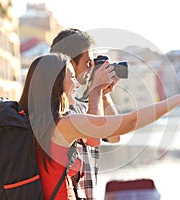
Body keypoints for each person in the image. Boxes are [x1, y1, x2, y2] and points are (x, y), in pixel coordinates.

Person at [19, 53, 180, 200]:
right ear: (55, 83)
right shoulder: (64, 124)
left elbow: (100, 136)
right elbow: (128, 122)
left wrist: (100, 94)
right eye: (70, 76)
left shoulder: (30, 120)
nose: (76, 83)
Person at [50, 28, 119, 199]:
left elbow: (114, 136)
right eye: (88, 63)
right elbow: (93, 138)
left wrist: (104, 94)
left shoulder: (80, 104)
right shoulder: (57, 110)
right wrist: (95, 89)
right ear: (70, 64)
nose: (91, 68)